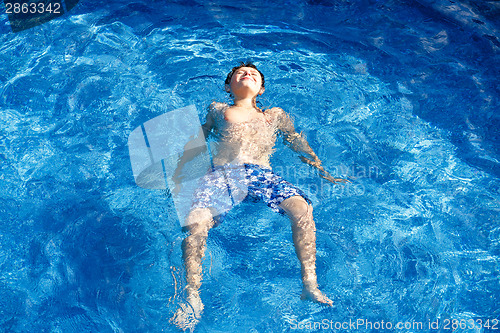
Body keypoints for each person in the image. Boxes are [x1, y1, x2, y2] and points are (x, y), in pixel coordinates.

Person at [170, 62, 348, 331]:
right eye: (239, 73)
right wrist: (180, 172)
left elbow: (295, 140)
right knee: (195, 223)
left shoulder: (274, 115)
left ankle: (309, 283)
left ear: (261, 89)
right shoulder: (218, 109)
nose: (247, 73)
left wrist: (321, 169)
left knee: (302, 209)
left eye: (254, 74)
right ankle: (191, 295)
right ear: (229, 86)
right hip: (223, 174)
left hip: (262, 174)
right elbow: (199, 138)